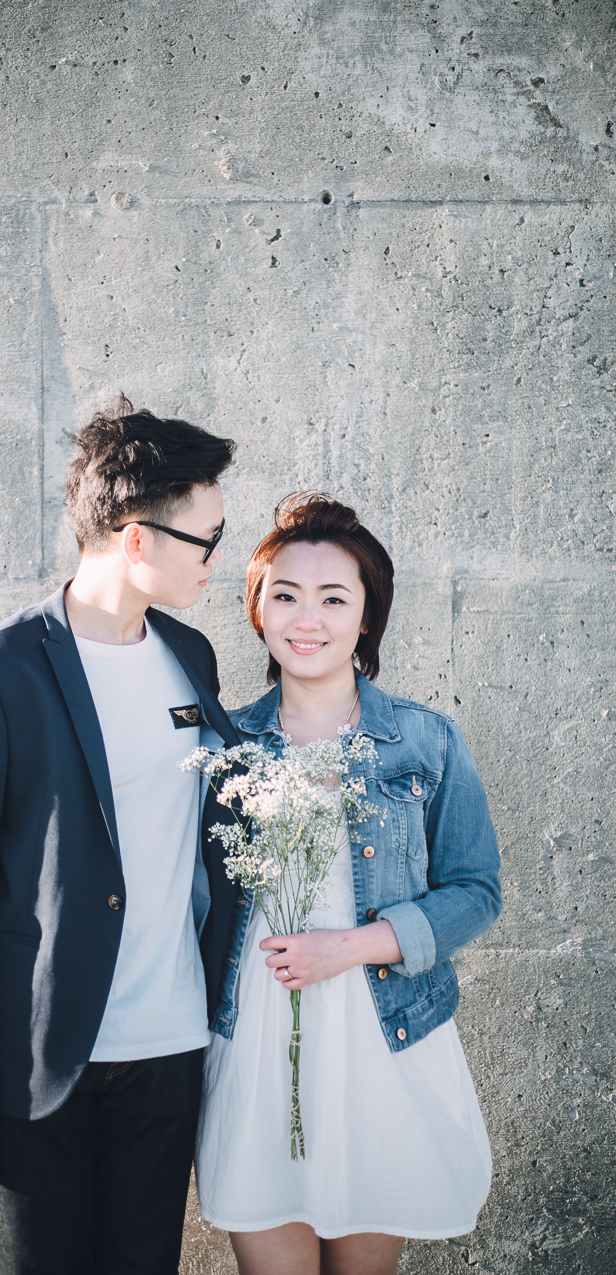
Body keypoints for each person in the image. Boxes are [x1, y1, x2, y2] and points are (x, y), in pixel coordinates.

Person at [0, 395, 242, 1275]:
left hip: (168, 1049)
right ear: (136, 539)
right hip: (36, 1065)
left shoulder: (191, 658)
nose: (218, 561)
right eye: (205, 541)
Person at [195, 492, 502, 1275]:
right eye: (286, 595)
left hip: (383, 1035)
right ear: (258, 610)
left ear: (366, 617)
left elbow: (475, 890)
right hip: (258, 1038)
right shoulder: (222, 746)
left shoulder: (425, 741)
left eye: (335, 598)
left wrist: (352, 946)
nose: (308, 618)